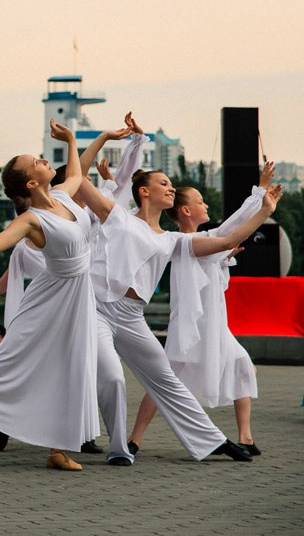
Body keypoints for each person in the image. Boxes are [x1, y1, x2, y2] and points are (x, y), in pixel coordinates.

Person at [72, 136, 280, 465]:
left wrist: (264, 211)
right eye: (164, 183)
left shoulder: (173, 240)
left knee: (166, 379)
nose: (171, 188)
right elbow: (77, 178)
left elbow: (226, 239)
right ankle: (118, 448)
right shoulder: (117, 216)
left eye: (171, 185)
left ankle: (212, 440)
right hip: (97, 309)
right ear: (144, 192)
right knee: (112, 376)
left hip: (130, 316)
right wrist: (94, 139)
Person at [0, 121, 98, 471]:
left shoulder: (61, 196)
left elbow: (75, 173)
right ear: (31, 182)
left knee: (71, 364)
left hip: (78, 297)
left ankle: (59, 448)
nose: (44, 161)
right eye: (38, 161)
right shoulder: (31, 220)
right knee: (3, 361)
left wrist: (71, 140)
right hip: (50, 299)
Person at [128, 166, 274, 455]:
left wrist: (224, 256)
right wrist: (260, 198)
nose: (205, 204)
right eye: (200, 201)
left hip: (214, 324)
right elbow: (230, 230)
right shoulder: (186, 242)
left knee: (242, 366)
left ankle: (245, 436)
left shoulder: (199, 240)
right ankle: (134, 439)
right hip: (193, 328)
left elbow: (225, 237)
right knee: (164, 379)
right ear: (185, 211)